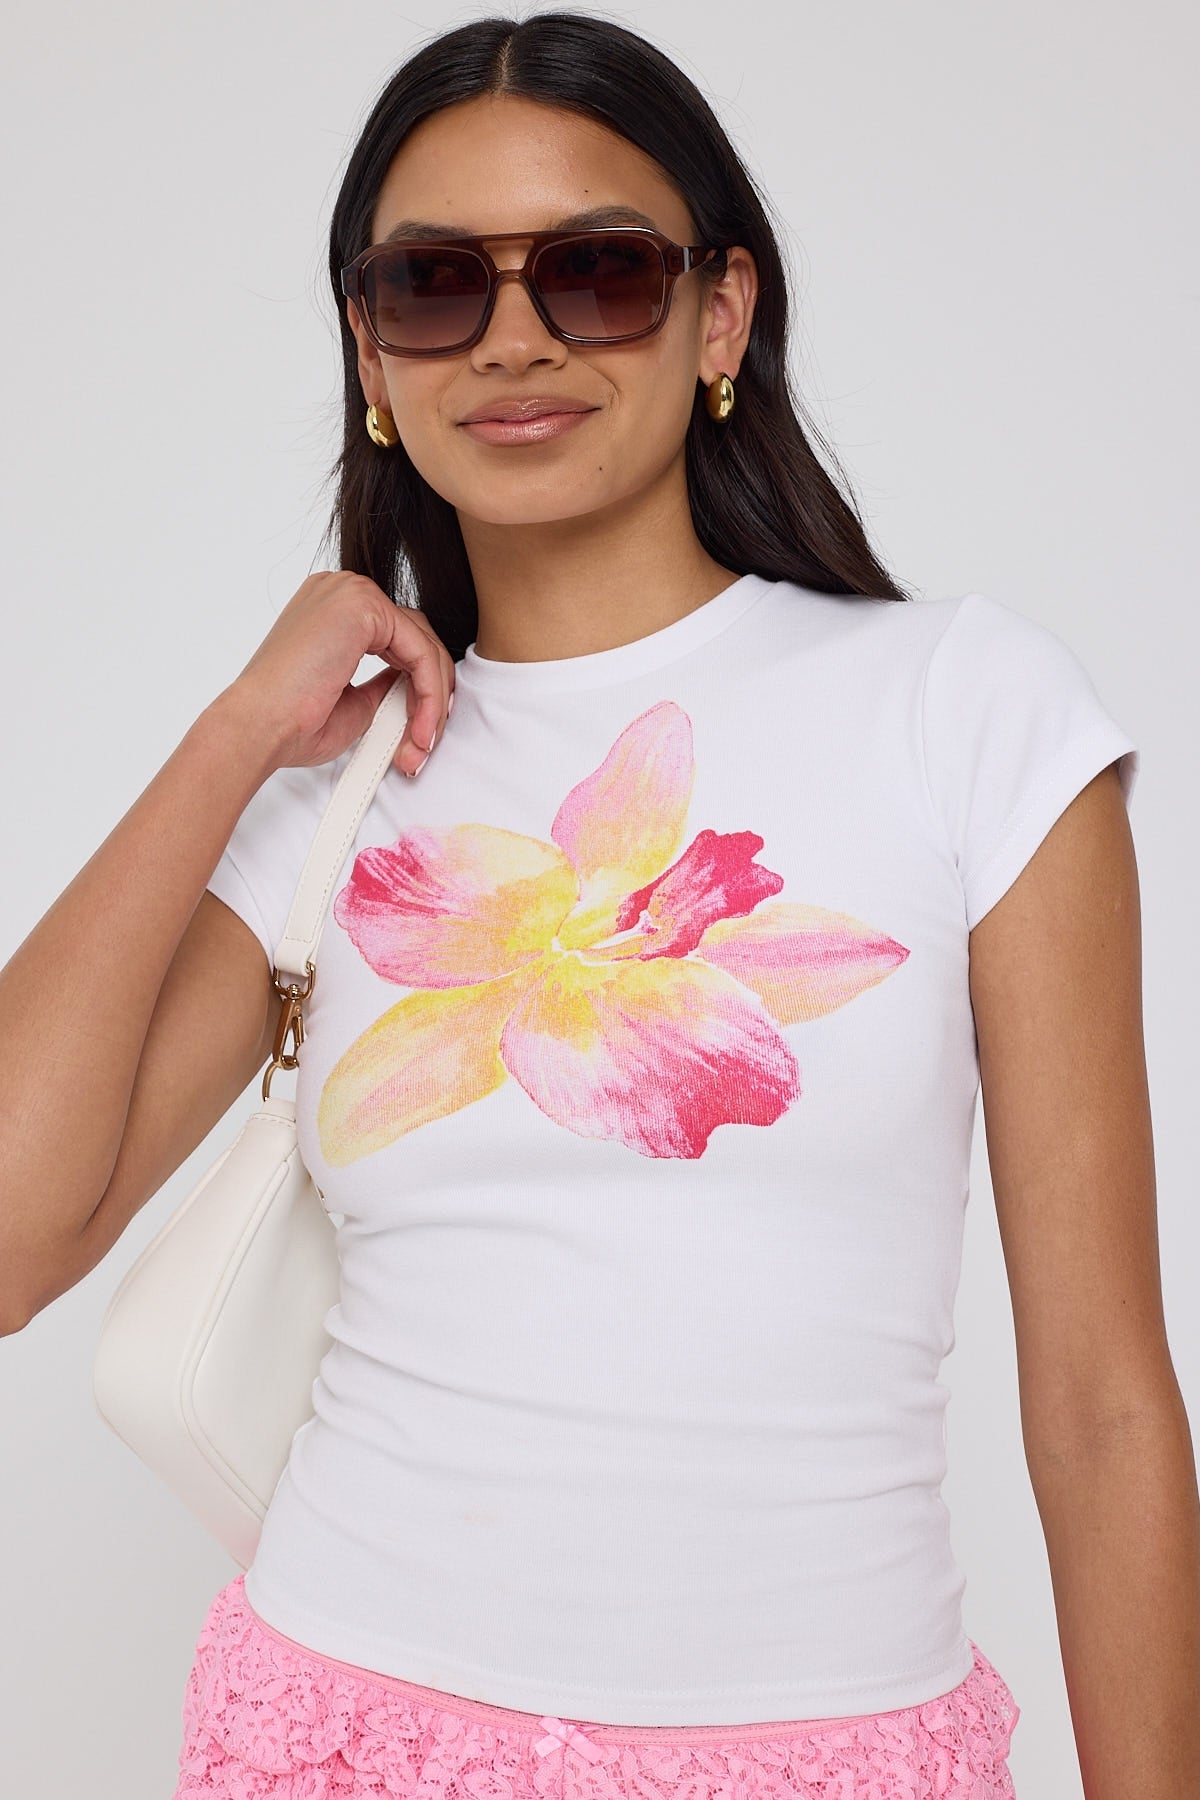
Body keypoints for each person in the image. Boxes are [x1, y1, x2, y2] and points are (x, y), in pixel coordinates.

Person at [2, 11, 1196, 1797]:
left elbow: (1102, 1404)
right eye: (433, 286)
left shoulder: (967, 712)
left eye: (599, 272)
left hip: (835, 1754)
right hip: (347, 1737)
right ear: (370, 351)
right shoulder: (338, 801)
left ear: (721, 314)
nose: (515, 339)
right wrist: (235, 734)